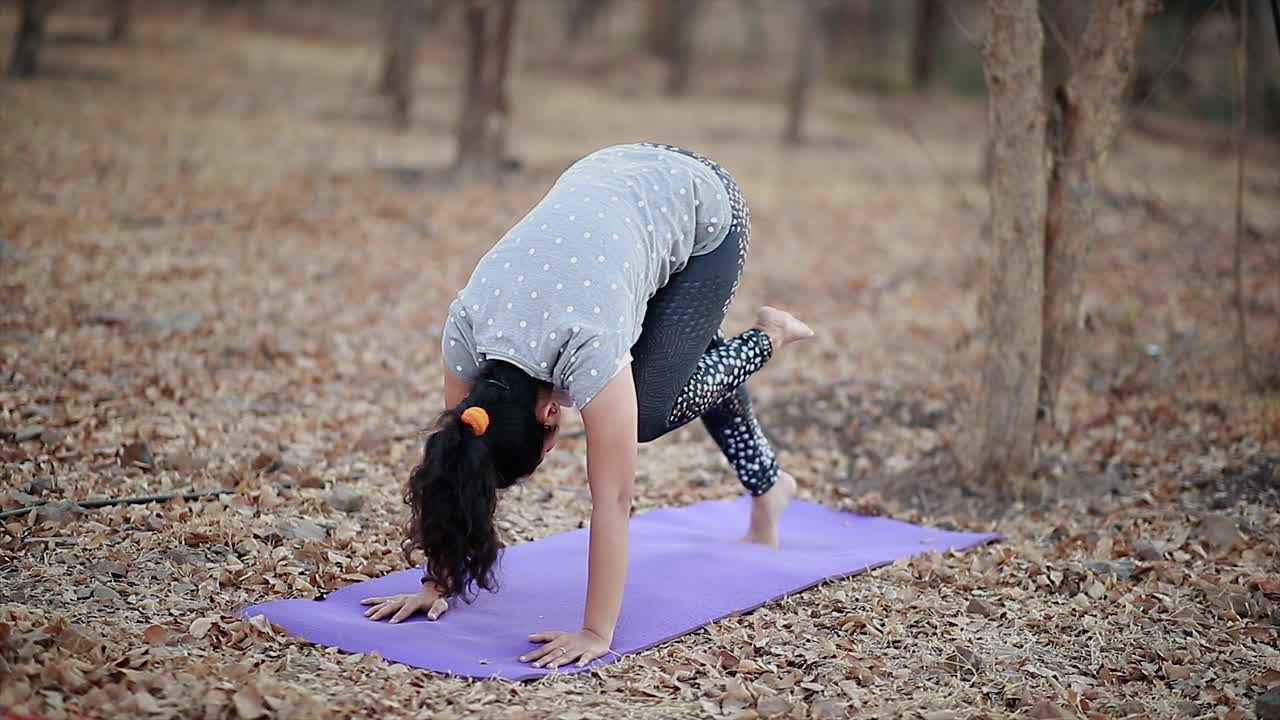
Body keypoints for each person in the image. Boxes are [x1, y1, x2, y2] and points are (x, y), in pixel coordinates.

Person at [360, 142, 813, 670]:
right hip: (617, 179)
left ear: (550, 417)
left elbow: (615, 498)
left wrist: (596, 631)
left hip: (703, 207)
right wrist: (438, 581)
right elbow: (455, 468)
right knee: (680, 367)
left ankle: (770, 334)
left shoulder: (586, 346)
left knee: (648, 409)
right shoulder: (468, 330)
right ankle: (770, 487)